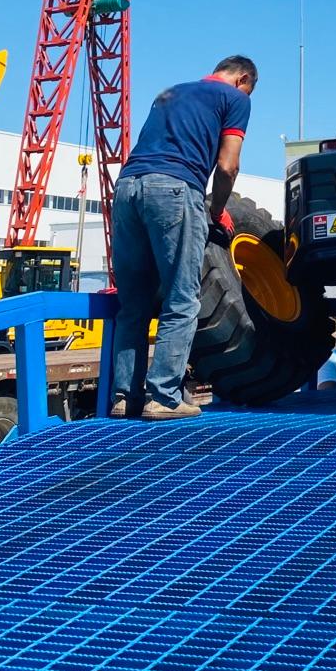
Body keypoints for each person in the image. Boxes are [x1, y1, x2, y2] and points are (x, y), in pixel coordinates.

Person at [109, 55, 257, 420]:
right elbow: (228, 165)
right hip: (174, 189)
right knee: (181, 298)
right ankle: (163, 396)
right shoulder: (236, 99)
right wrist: (215, 209)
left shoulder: (170, 92)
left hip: (127, 189)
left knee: (134, 303)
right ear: (242, 79)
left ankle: (124, 397)